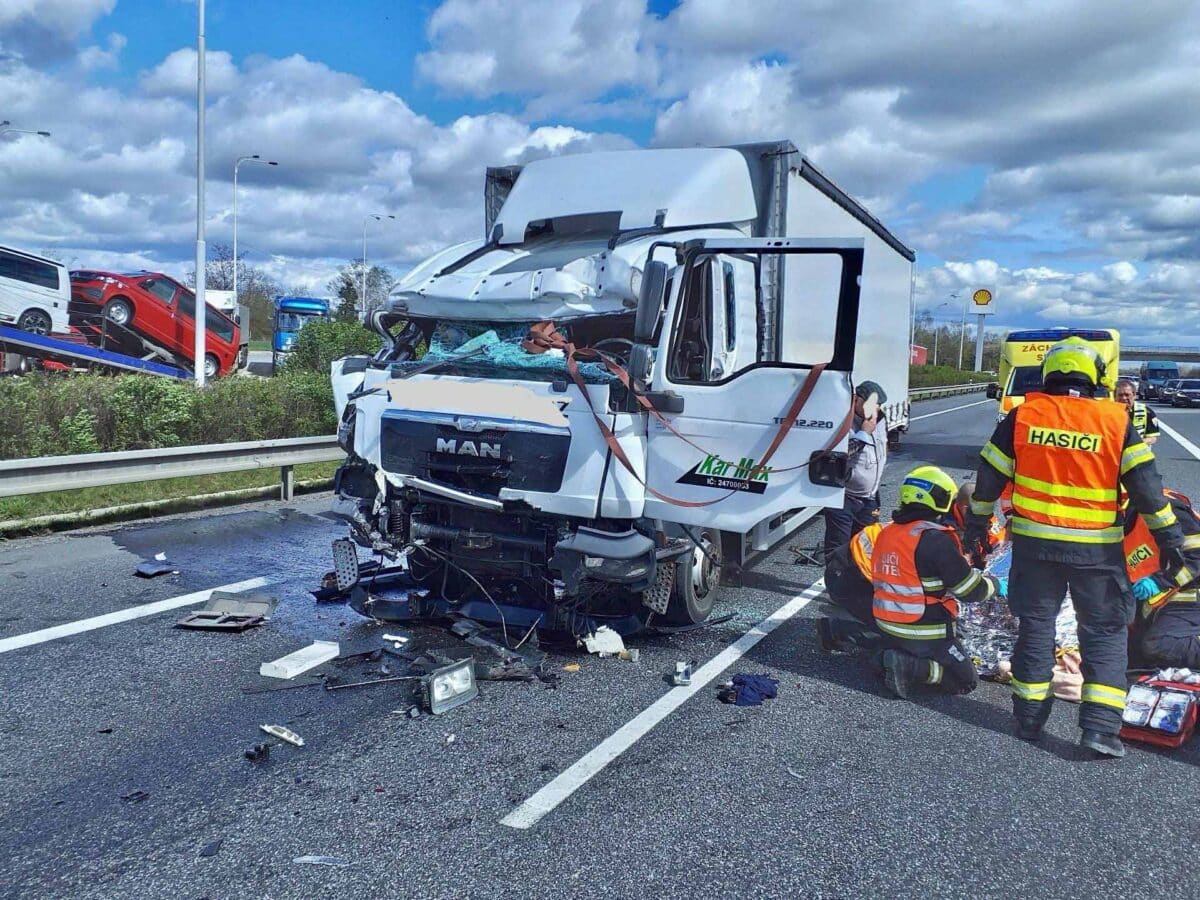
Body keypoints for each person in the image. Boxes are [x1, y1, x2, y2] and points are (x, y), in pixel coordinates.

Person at [966, 337, 1191, 758]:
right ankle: (1100, 731)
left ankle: (1029, 721)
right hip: (1097, 553)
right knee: (1104, 633)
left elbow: (988, 479)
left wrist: (976, 526)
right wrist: (1171, 541)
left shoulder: (1023, 416)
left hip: (1035, 548)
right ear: (1097, 377)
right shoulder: (1114, 420)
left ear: (1049, 373)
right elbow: (1147, 490)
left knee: (1036, 629)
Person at [872, 465, 1002, 699]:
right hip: (924, 631)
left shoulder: (888, 533)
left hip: (886, 622)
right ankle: (910, 666)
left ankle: (879, 653)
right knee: (964, 681)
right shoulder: (935, 539)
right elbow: (968, 590)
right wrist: (995, 584)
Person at [1124, 489, 1200, 668]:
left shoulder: (1164, 509)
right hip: (1164, 603)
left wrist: (1160, 581)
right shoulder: (1121, 525)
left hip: (1190, 595)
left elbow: (1197, 556)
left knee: (1160, 645)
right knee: (1131, 657)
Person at [823, 380, 887, 561]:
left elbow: (883, 448)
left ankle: (858, 585)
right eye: (870, 404)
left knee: (865, 548)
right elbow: (839, 455)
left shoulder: (880, 418)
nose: (875, 409)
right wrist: (864, 433)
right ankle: (836, 587)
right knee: (839, 549)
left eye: (878, 405)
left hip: (870, 497)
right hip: (844, 496)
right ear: (856, 399)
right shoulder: (842, 420)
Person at [816, 521, 885, 652]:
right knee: (899, 637)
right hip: (847, 577)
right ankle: (836, 630)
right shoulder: (921, 543)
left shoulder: (920, 528)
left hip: (847, 569)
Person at [1116, 377, 1159, 445]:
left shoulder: (1146, 412)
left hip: (1135, 453)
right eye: (1120, 395)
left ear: (1134, 395)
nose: (1124, 398)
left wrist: (1134, 443)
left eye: (1127, 395)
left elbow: (1152, 438)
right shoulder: (1107, 411)